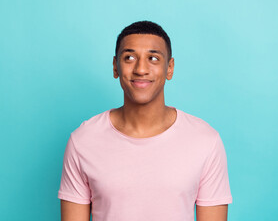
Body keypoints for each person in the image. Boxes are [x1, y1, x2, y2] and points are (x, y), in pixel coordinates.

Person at [58, 21, 233, 221]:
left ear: (170, 68)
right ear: (115, 67)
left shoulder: (205, 141)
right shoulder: (83, 141)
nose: (141, 69)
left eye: (153, 58)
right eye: (130, 57)